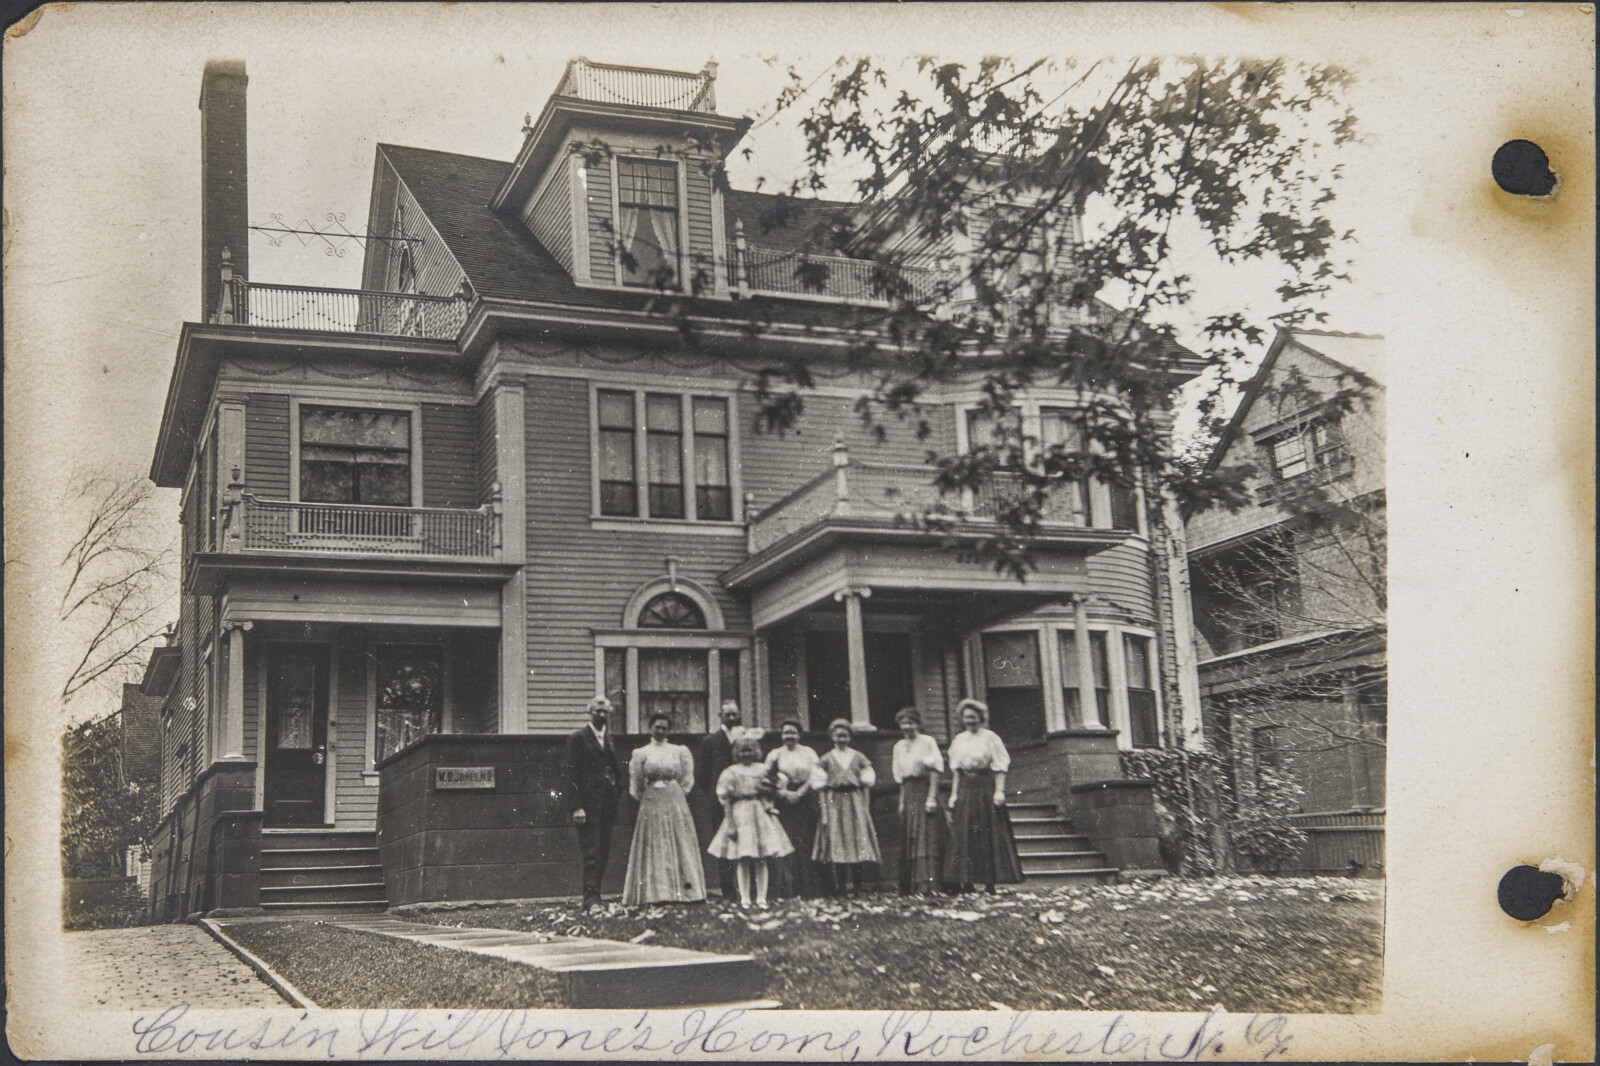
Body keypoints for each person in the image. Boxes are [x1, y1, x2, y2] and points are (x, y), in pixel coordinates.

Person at [622, 711, 706, 906]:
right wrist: (648, 793)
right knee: (655, 840)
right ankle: (655, 893)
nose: (660, 730)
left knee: (679, 839)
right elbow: (636, 782)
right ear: (650, 728)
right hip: (651, 799)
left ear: (669, 729)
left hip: (674, 798)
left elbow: (687, 778)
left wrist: (674, 792)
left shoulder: (679, 751)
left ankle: (687, 892)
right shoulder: (641, 752)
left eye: (664, 727)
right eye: (657, 727)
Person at [942, 698, 1023, 894]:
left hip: (984, 785)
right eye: (966, 717)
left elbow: (1000, 766)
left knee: (988, 833)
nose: (970, 721)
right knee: (965, 834)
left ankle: (990, 882)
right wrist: (953, 795)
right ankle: (967, 882)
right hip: (966, 788)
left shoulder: (990, 738)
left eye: (973, 717)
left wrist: (999, 791)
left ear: (980, 718)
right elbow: (957, 772)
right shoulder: (959, 740)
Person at [707, 735, 793, 909]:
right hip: (740, 813)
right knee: (743, 858)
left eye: (750, 750)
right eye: (742, 750)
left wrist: (769, 792)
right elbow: (726, 799)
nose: (746, 754)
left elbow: (777, 785)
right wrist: (730, 824)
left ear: (756, 751)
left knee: (761, 858)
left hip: (759, 813)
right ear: (737, 753)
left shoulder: (762, 770)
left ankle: (761, 897)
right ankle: (745, 897)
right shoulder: (731, 772)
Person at [564, 696, 623, 910]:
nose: (601, 715)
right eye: (597, 711)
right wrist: (576, 806)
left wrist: (617, 789)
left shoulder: (608, 738)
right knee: (591, 852)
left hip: (607, 805)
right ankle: (590, 899)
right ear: (590, 712)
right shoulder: (578, 738)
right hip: (587, 807)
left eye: (605, 711)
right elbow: (571, 774)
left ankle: (596, 893)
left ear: (610, 714)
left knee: (603, 851)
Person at [811, 719, 880, 897]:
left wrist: (864, 808)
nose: (841, 738)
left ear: (850, 736)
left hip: (854, 801)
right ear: (832, 736)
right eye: (837, 735)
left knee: (857, 842)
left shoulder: (859, 757)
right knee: (838, 842)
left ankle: (857, 887)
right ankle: (841, 887)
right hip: (835, 801)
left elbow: (866, 783)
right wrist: (825, 812)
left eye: (844, 735)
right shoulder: (826, 758)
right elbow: (820, 786)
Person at [891, 707, 947, 896]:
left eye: (911, 723)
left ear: (918, 724)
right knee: (912, 836)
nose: (907, 727)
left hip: (923, 790)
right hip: (908, 793)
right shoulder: (898, 746)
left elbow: (934, 771)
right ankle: (913, 886)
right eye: (904, 723)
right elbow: (901, 778)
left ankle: (930, 885)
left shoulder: (927, 742)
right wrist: (901, 801)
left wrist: (931, 797)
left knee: (927, 836)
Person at [695, 699, 748, 900]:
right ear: (720, 716)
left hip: (746, 800)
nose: (732, 718)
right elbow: (702, 775)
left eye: (735, 714)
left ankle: (746, 889)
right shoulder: (710, 741)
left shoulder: (746, 738)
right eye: (728, 715)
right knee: (725, 845)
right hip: (721, 802)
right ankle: (728, 889)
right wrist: (716, 795)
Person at [764, 718, 823, 899]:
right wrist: (784, 793)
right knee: (786, 842)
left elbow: (815, 776)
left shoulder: (808, 753)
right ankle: (788, 889)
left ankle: (808, 889)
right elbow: (768, 778)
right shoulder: (775, 754)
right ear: (781, 735)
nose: (789, 736)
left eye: (793, 732)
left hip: (805, 801)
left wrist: (799, 793)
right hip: (784, 803)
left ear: (799, 734)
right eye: (786, 732)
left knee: (805, 842)